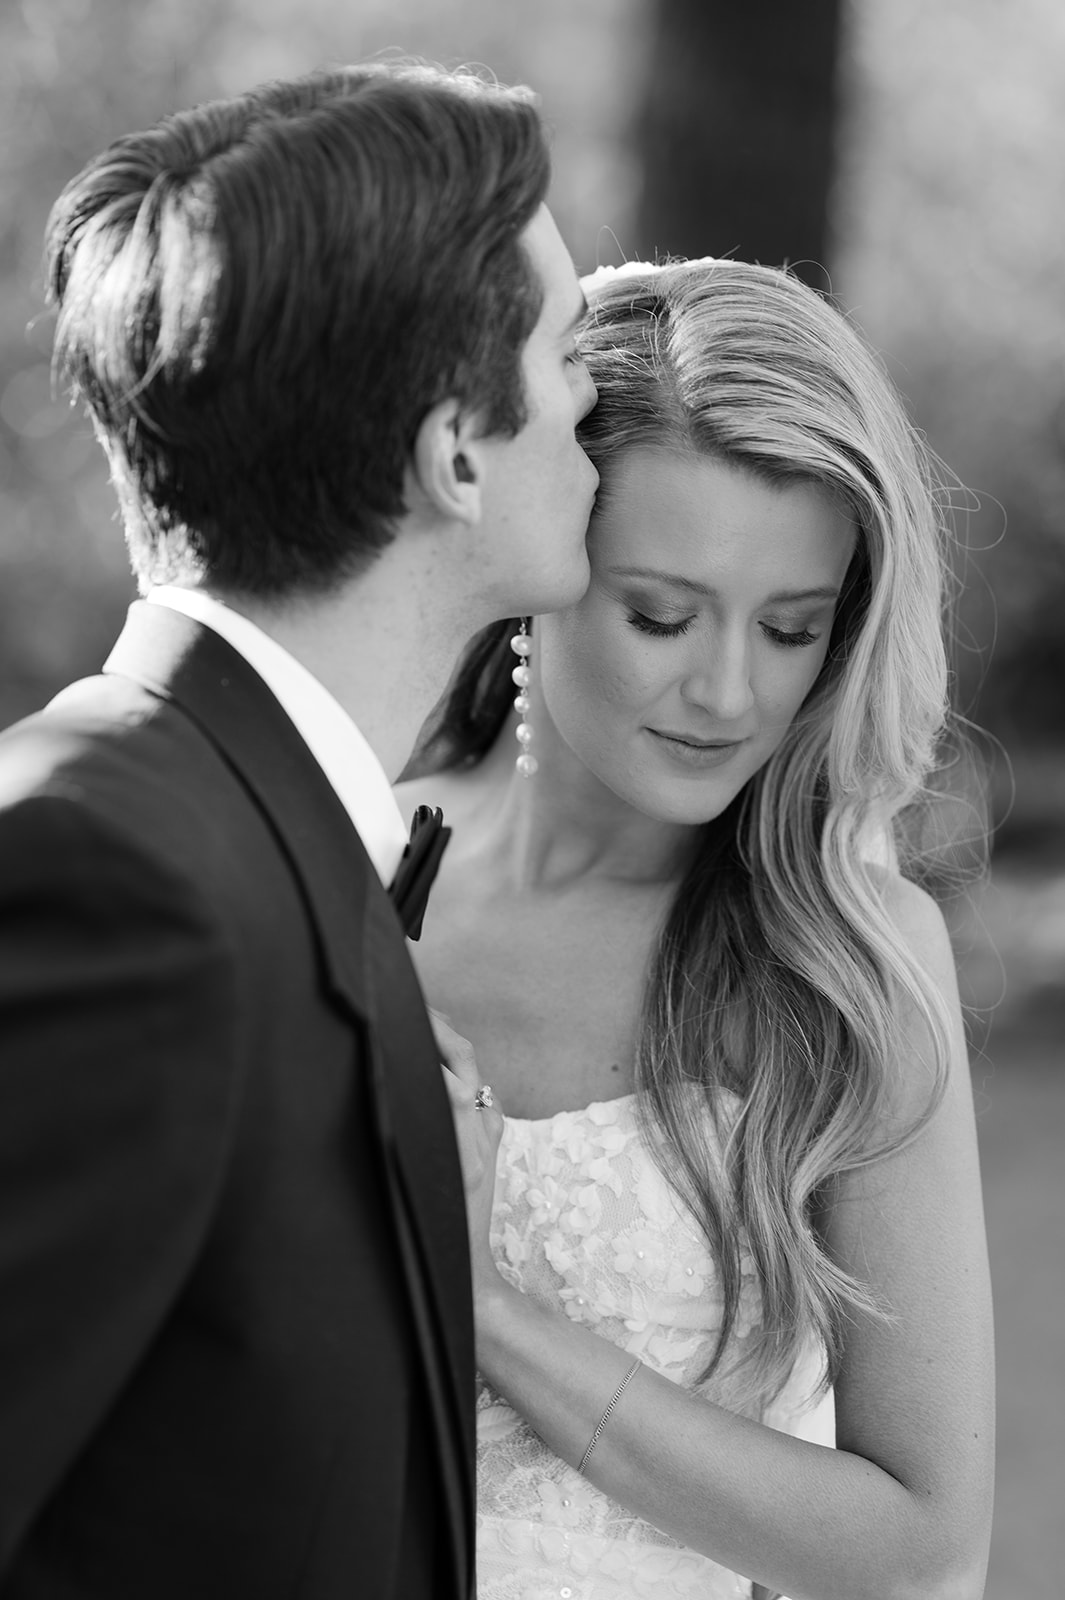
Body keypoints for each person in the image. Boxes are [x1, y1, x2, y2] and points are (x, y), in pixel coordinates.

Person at [0, 62, 598, 1599]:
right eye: (565, 342)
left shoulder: (269, 837)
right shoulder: (119, 883)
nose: (597, 393)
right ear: (456, 450)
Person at [398, 258, 996, 1600]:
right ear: (537, 561)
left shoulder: (844, 957)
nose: (726, 692)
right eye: (659, 614)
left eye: (790, 629)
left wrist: (488, 1319)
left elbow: (923, 1555)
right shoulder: (348, 864)